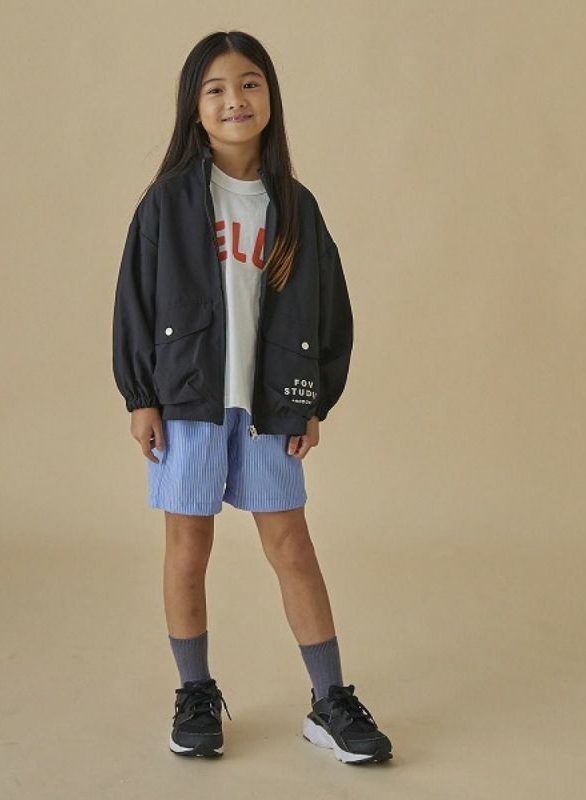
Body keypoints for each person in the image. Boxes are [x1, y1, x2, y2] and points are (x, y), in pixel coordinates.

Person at [111, 30, 393, 765]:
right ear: (194, 106)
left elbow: (329, 310)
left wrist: (313, 401)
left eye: (249, 83)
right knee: (187, 547)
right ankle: (195, 693)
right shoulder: (169, 202)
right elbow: (135, 301)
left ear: (270, 96)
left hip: (269, 408)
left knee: (291, 545)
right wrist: (141, 397)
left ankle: (330, 701)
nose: (234, 99)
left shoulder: (295, 206)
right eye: (215, 89)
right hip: (187, 404)